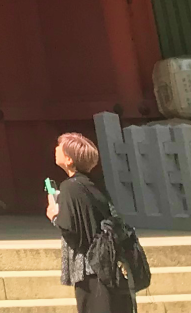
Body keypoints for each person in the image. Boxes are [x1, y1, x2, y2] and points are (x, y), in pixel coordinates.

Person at [47, 132, 136, 312]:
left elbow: (70, 228)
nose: (55, 149)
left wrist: (54, 215)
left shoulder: (69, 187)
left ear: (70, 159)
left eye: (60, 147)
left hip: (89, 265)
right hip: (107, 261)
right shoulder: (94, 184)